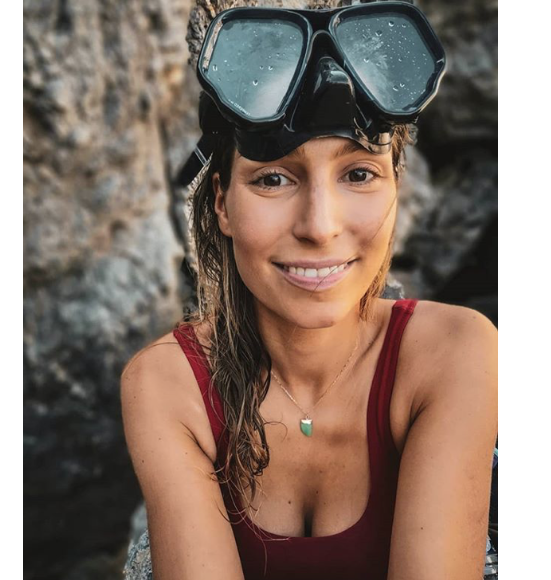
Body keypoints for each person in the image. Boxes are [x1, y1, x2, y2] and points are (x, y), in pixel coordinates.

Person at [121, 2, 498, 579]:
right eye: (273, 177)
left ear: (397, 186)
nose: (320, 225)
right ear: (221, 202)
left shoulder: (455, 354)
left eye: (359, 173)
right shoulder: (169, 385)